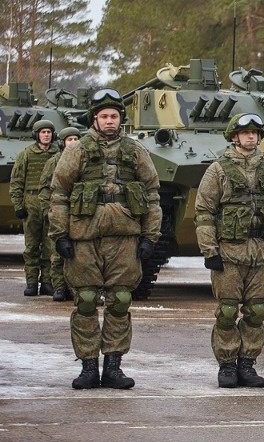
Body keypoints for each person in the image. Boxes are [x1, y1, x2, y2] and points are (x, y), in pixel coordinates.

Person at [48, 89, 162, 390]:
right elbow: (59, 194)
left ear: (120, 119)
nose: (110, 121)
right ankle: (88, 367)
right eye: (104, 116)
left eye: (114, 116)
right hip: (84, 236)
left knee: (120, 301)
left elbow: (151, 195)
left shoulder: (136, 151)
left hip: (124, 237)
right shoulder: (77, 151)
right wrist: (60, 234)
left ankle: (113, 366)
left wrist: (150, 236)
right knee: (85, 301)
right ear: (95, 119)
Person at [195, 113, 264, 389]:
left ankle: (247, 364)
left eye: (255, 133)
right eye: (245, 132)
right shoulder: (218, 170)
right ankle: (227, 365)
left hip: (261, 253)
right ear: (234, 137)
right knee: (227, 311)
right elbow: (204, 212)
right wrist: (209, 249)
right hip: (229, 252)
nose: (251, 137)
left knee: (256, 311)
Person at [11, 119, 59, 296]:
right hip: (31, 202)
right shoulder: (26, 154)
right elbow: (16, 182)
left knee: (49, 245)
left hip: (51, 203)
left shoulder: (57, 154)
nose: (46, 135)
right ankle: (31, 282)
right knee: (31, 246)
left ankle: (47, 282)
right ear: (36, 135)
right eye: (42, 132)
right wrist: (18, 205)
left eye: (48, 132)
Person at [38, 126, 82, 302]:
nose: (73, 142)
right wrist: (46, 210)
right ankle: (59, 287)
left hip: (79, 212)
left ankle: (76, 288)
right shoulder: (54, 162)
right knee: (57, 253)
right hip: (58, 211)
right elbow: (44, 188)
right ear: (62, 142)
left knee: (80, 254)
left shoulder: (85, 160)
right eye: (69, 139)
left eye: (75, 139)